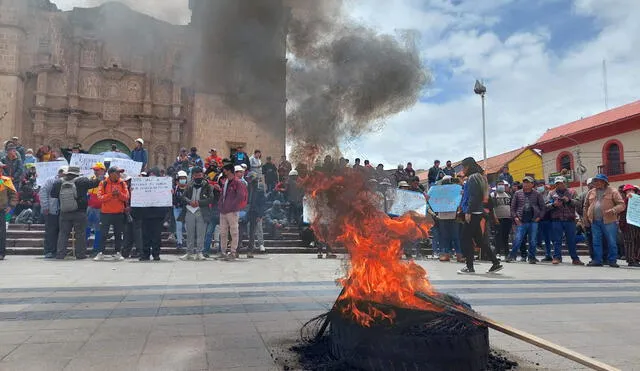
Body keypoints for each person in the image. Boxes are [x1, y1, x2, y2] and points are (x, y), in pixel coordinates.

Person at [458, 157, 502, 274]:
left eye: (464, 167)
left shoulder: (473, 178)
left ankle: (469, 266)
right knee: (479, 240)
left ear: (468, 166)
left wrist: (468, 212)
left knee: (465, 239)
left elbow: (474, 196)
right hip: (477, 212)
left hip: (473, 213)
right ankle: (495, 262)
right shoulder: (479, 177)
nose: (463, 169)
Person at [51, 166, 101, 260]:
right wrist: (100, 175)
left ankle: (60, 254)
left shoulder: (58, 182)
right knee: (80, 234)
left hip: (64, 211)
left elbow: (53, 194)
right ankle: (80, 254)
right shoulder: (82, 181)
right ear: (77, 173)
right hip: (80, 212)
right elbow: (96, 183)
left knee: (63, 233)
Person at [584, 174, 626, 267]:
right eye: (595, 181)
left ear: (604, 182)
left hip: (609, 221)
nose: (596, 183)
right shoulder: (591, 192)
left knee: (611, 241)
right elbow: (585, 206)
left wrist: (613, 210)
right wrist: (586, 219)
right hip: (594, 221)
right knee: (596, 241)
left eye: (598, 181)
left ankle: (612, 260)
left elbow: (621, 205)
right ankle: (597, 260)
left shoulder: (613, 191)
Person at [94, 166, 129, 261]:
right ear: (111, 174)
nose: (119, 174)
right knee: (103, 234)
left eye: (120, 173)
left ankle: (118, 252)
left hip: (119, 213)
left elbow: (126, 197)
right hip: (105, 213)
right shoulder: (103, 183)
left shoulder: (122, 183)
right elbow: (100, 198)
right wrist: (111, 195)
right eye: (117, 173)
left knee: (118, 234)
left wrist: (119, 194)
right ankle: (100, 252)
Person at [507, 176, 545, 263]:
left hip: (533, 221)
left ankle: (531, 257)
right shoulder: (517, 193)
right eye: (524, 182)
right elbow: (512, 208)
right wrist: (516, 218)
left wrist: (539, 217)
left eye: (528, 183)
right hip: (521, 220)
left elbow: (543, 208)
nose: (526, 184)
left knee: (533, 240)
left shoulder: (537, 194)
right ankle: (512, 256)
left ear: (532, 184)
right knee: (518, 239)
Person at [546, 177, 584, 265]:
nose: (560, 185)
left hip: (569, 220)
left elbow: (578, 203)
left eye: (561, 183)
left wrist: (569, 200)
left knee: (571, 240)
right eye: (557, 183)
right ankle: (557, 257)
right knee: (557, 240)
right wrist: (554, 205)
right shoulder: (551, 193)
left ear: (565, 183)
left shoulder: (572, 192)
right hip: (556, 220)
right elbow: (546, 206)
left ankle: (575, 258)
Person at [180, 167, 214, 261]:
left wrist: (199, 202)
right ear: (193, 175)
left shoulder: (207, 185)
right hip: (190, 210)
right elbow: (183, 197)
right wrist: (189, 202)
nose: (198, 177)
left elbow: (211, 198)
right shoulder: (189, 185)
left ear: (202, 175)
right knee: (190, 232)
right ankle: (189, 252)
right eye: (196, 175)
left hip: (201, 211)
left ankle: (199, 252)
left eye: (200, 175)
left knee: (201, 233)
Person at [139, 168, 170, 261]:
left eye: (154, 175)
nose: (152, 177)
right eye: (150, 175)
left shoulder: (162, 186)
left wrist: (169, 193)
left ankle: (156, 254)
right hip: (145, 214)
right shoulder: (143, 186)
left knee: (156, 236)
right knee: (145, 236)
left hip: (158, 215)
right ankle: (145, 254)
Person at [218, 164, 247, 260]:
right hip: (223, 211)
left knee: (234, 231)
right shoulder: (226, 182)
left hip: (232, 211)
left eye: (224, 170)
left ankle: (233, 252)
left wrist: (232, 206)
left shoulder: (237, 183)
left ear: (229, 171)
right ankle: (223, 251)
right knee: (223, 232)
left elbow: (241, 196)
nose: (223, 172)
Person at [40, 166, 66, 259]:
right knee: (50, 231)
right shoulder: (50, 181)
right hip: (52, 210)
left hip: (64, 210)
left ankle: (59, 251)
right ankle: (49, 251)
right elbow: (43, 193)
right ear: (60, 172)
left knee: (61, 232)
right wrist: (45, 206)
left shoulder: (68, 181)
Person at [86, 162, 107, 256]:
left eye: (97, 170)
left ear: (103, 170)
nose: (95, 171)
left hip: (100, 208)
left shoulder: (107, 180)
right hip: (90, 207)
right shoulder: (91, 179)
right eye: (94, 170)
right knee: (86, 228)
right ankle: (82, 248)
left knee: (99, 230)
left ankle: (96, 250)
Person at [246, 174, 266, 257]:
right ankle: (247, 247)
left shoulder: (260, 190)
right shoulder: (247, 189)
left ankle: (252, 249)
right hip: (247, 212)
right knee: (247, 230)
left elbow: (262, 204)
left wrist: (260, 215)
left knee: (254, 230)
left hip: (255, 213)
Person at [620, 184, 640, 267]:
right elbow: (621, 210)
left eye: (632, 190)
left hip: (637, 224)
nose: (630, 192)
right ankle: (630, 260)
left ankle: (635, 258)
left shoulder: (637, 200)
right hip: (627, 225)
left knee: (637, 242)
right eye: (628, 191)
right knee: (629, 242)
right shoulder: (624, 201)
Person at [0, 166, 17, 260]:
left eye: (1, 168)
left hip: (2, 211)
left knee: (2, 233)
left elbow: (13, 194)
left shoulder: (6, 180)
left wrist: (11, 206)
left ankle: (1, 253)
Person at [491, 180, 512, 258]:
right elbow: (492, 207)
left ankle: (507, 254)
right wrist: (494, 217)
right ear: (496, 186)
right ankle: (498, 253)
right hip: (498, 219)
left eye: (502, 184)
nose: (501, 186)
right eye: (499, 184)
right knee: (498, 236)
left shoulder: (508, 195)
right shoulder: (493, 195)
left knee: (505, 236)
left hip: (507, 218)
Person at [173, 171, 189, 251]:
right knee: (178, 226)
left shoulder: (189, 188)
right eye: (181, 179)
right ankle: (179, 242)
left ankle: (189, 242)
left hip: (186, 209)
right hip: (177, 209)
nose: (182, 180)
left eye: (184, 178)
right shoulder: (175, 188)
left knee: (187, 226)